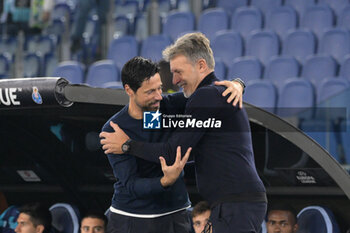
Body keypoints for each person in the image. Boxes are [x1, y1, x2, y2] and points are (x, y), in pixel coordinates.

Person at [100, 32, 266, 233]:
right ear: (129, 90)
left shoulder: (198, 99)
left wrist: (127, 145)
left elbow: (172, 152)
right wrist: (238, 83)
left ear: (201, 66)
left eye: (160, 88)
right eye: (150, 91)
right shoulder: (115, 129)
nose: (173, 82)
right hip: (133, 217)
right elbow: (131, 184)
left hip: (217, 206)